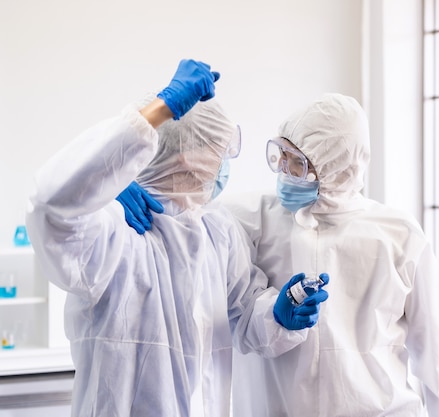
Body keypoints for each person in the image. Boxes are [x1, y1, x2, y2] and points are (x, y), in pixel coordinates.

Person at [118, 93, 439, 416]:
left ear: (337, 167)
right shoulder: (243, 219)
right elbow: (176, 209)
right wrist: (118, 188)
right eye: (281, 156)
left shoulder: (398, 236)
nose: (284, 171)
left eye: (299, 163)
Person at [24, 59, 329, 417]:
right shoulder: (114, 229)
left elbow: (244, 311)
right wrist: (156, 113)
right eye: (217, 150)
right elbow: (50, 206)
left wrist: (278, 315)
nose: (224, 163)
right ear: (189, 157)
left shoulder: (217, 230)